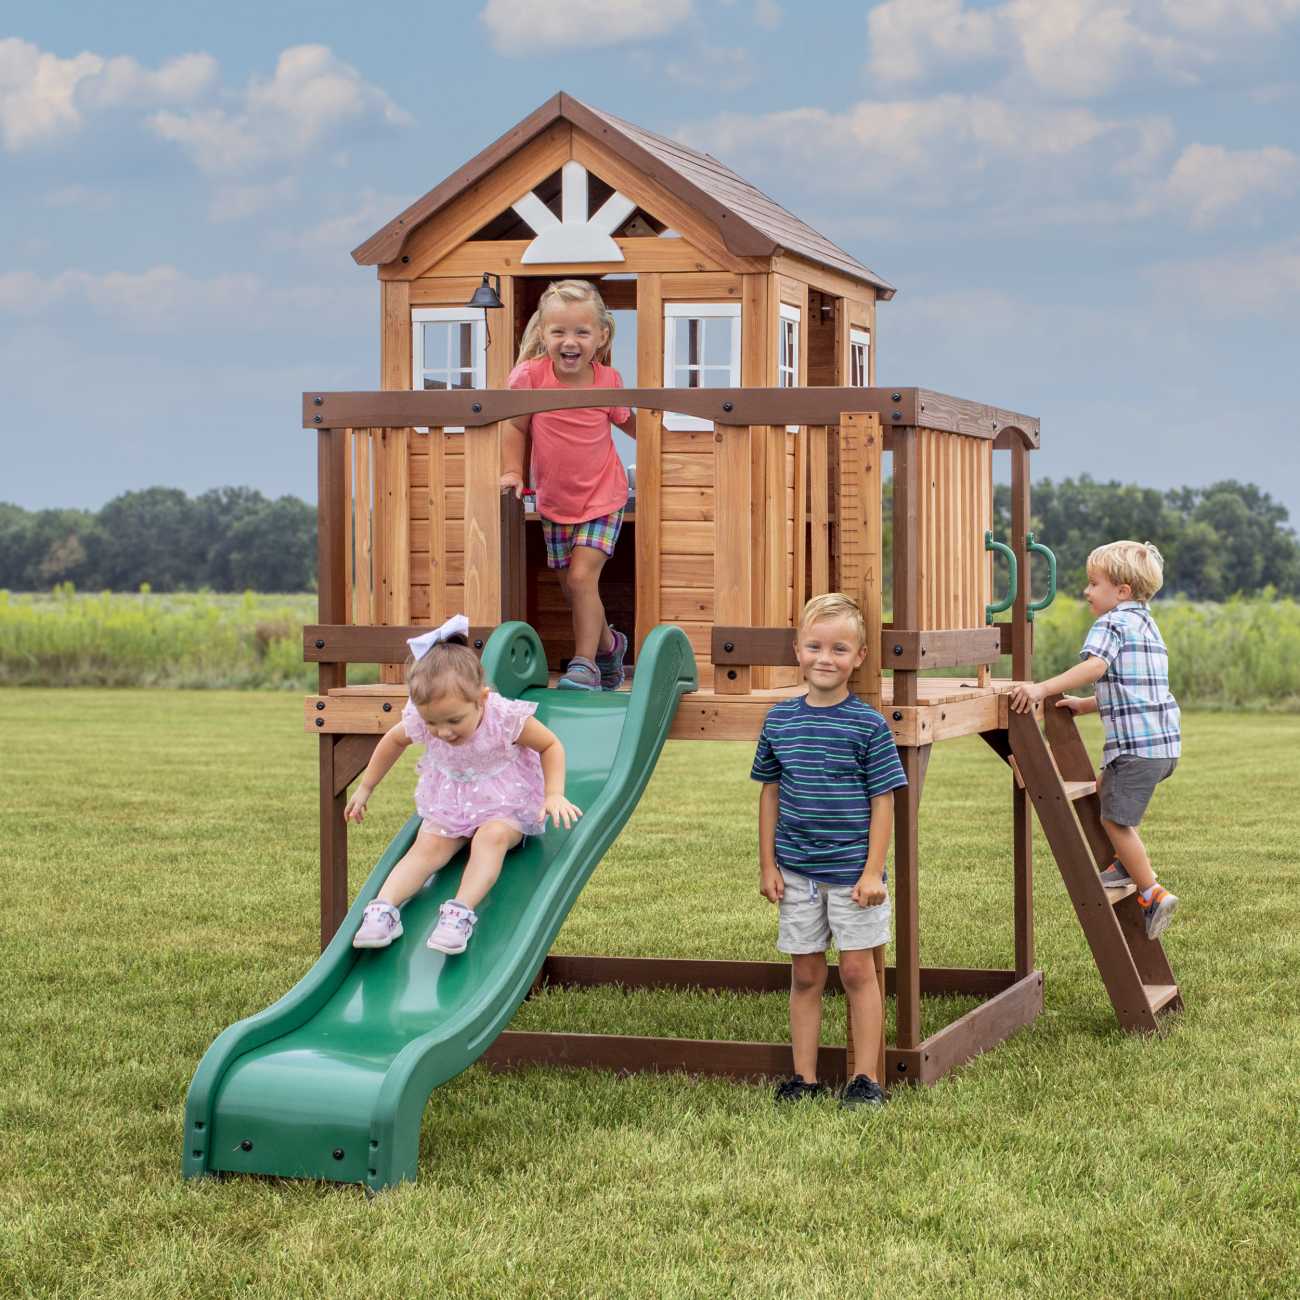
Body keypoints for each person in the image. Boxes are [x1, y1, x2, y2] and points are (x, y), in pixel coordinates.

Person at [751, 594, 908, 1109]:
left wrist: (872, 873)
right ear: (798, 650)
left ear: (859, 657)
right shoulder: (780, 722)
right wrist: (768, 865)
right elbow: (770, 794)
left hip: (851, 875)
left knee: (859, 971)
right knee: (806, 974)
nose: (825, 658)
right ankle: (804, 1078)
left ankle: (865, 1079)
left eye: (839, 649)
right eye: (815, 646)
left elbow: (882, 804)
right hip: (796, 872)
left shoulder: (868, 726)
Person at [347, 615, 581, 955]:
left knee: (492, 837)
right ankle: (383, 909)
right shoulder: (427, 718)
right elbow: (392, 741)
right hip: (453, 801)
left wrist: (554, 793)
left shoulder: (503, 718)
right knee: (427, 848)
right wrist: (366, 787)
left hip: (505, 801)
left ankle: (459, 913)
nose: (442, 732)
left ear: (482, 699)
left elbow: (550, 745)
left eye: (454, 720)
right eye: (432, 722)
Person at [1009, 540, 1180, 940]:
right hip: (1163, 746)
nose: (1087, 591)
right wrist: (1086, 706)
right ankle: (1123, 864)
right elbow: (1133, 688)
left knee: (1114, 820)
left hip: (1136, 751)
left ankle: (1151, 891)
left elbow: (1095, 666)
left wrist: (1041, 688)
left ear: (1121, 591)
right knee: (1105, 786)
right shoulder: (1147, 624)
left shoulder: (1111, 623)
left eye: (1093, 583)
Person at [501, 279, 637, 691]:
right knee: (571, 588)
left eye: (581, 331)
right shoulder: (529, 377)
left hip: (604, 495)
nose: (569, 341)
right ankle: (612, 646)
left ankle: (585, 665)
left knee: (581, 580)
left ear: (601, 336)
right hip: (555, 501)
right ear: (543, 333)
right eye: (559, 331)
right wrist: (512, 473)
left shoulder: (607, 381)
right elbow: (514, 427)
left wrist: (672, 436)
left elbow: (632, 425)